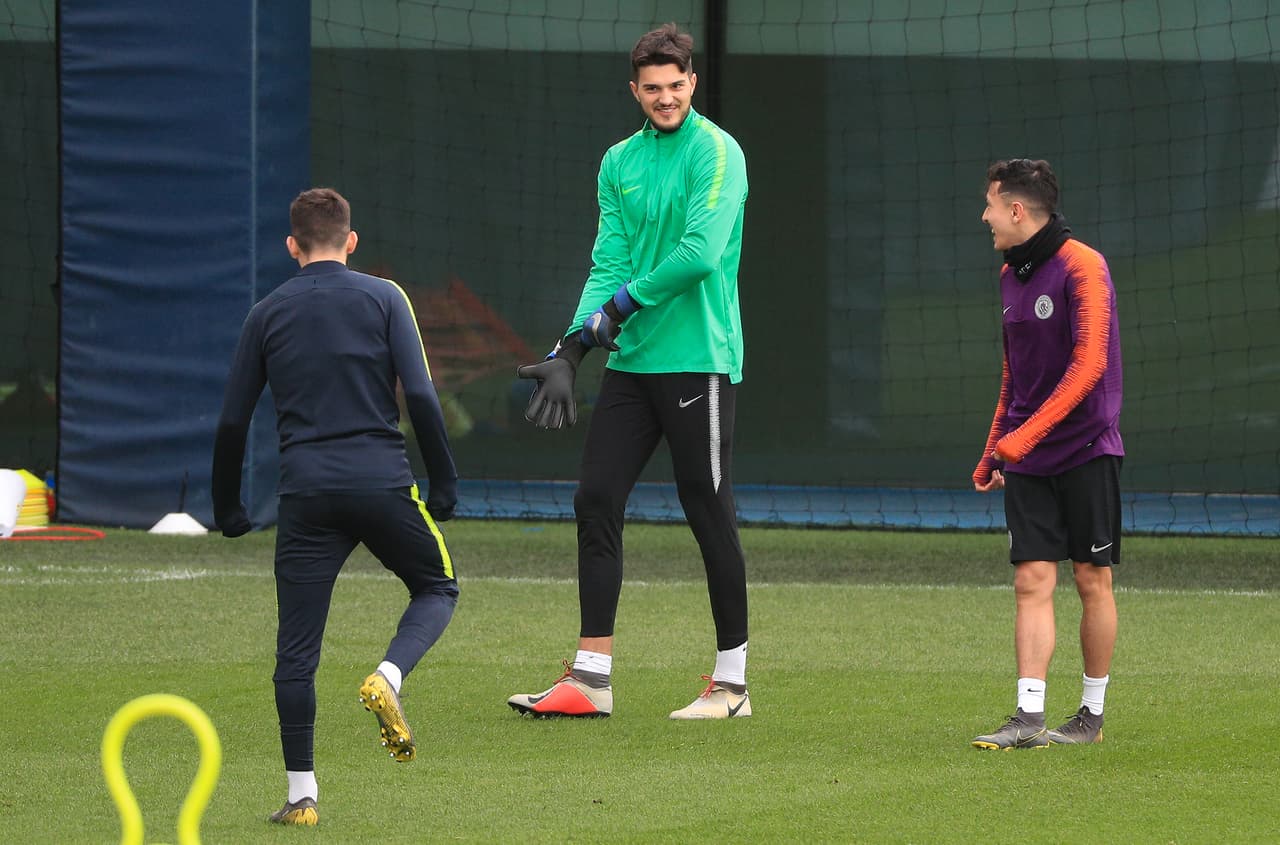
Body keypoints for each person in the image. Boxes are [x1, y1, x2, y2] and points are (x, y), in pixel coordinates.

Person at [507, 23, 751, 720]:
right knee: (595, 498)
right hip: (633, 362)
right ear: (635, 90)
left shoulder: (717, 152)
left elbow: (701, 252)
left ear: (692, 82)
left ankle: (732, 685)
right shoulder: (619, 161)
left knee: (708, 508)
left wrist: (621, 305)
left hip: (699, 359)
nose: (666, 98)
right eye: (653, 89)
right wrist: (571, 349)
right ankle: (590, 678)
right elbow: (609, 260)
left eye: (676, 86)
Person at [211, 188, 459, 823]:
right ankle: (389, 676)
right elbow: (424, 399)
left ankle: (301, 798)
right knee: (436, 587)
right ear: (351, 242)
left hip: (307, 495)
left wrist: (229, 507)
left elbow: (233, 420)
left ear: (292, 246)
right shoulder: (384, 296)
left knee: (295, 652)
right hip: (381, 484)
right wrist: (446, 485)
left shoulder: (265, 313)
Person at [970, 159, 1123, 749]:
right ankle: (1028, 717)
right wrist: (994, 451)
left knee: (1091, 579)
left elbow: (1090, 368)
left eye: (989, 205)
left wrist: (1022, 440)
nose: (983, 216)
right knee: (1031, 580)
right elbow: (1016, 375)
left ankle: (1089, 715)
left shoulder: (1083, 265)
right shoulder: (1011, 275)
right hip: (1027, 453)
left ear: (1016, 210)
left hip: (1087, 450)